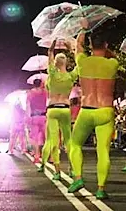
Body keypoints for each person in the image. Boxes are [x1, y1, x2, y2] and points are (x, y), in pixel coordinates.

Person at [68, 24, 118, 199]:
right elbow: (112, 55)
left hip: (87, 110)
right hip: (105, 110)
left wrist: (83, 28)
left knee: (75, 144)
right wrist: (105, 50)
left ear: (90, 44)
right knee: (103, 151)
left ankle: (78, 177)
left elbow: (78, 45)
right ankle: (101, 188)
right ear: (105, 45)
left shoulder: (82, 61)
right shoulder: (112, 63)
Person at [39, 40, 78, 179]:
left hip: (53, 109)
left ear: (55, 62)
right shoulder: (71, 76)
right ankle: (73, 168)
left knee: (54, 141)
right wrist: (72, 51)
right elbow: (79, 64)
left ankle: (56, 170)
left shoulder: (52, 75)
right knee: (69, 140)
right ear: (66, 63)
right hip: (65, 109)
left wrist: (51, 48)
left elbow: (49, 57)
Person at [26, 79, 48, 163]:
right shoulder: (45, 92)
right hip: (44, 116)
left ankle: (37, 156)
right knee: (46, 137)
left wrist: (28, 117)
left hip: (34, 117)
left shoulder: (30, 93)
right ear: (41, 84)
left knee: (34, 138)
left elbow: (28, 106)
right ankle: (49, 156)